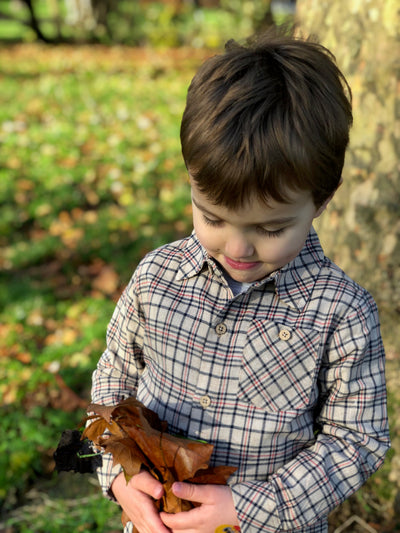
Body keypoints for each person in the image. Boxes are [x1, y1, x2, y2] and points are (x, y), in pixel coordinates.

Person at [90, 27, 390, 533]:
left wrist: (248, 509)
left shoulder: (340, 313)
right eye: (213, 218)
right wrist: (119, 479)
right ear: (191, 180)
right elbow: (112, 386)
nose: (237, 248)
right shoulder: (156, 280)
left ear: (322, 199)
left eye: (270, 228)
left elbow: (358, 440)